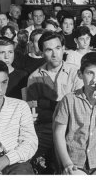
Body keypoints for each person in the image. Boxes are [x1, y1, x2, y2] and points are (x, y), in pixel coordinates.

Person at [27, 31, 83, 173]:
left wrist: (48, 104)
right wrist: (60, 105)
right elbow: (34, 112)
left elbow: (80, 106)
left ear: (63, 48)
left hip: (73, 126)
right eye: (48, 50)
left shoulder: (76, 72)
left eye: (58, 48)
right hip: (45, 127)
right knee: (25, 153)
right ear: (41, 52)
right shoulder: (34, 77)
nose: (54, 54)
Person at [0, 60, 38, 175]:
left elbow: (30, 142)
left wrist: (5, 160)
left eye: (4, 82)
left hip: (15, 162)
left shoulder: (20, 106)